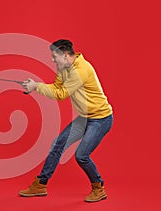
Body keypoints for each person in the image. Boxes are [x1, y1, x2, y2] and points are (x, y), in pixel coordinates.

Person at [19, 39, 113, 202]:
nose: (52, 59)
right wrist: (35, 86)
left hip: (101, 119)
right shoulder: (63, 66)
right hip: (85, 118)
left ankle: (98, 187)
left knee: (81, 155)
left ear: (65, 55)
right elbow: (56, 86)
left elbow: (61, 94)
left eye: (54, 56)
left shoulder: (80, 70)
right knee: (58, 144)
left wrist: (37, 86)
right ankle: (41, 184)